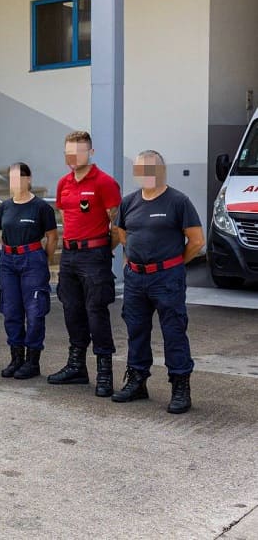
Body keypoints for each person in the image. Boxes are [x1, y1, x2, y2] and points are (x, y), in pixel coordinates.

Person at [112, 150, 204, 414]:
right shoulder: (129, 202)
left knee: (174, 332)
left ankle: (180, 387)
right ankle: (138, 381)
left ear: (162, 171)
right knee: (136, 331)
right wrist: (131, 257)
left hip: (166, 279)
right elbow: (121, 231)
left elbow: (197, 241)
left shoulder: (178, 201)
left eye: (152, 168)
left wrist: (172, 264)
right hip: (136, 278)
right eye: (142, 169)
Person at [47, 131, 122, 397]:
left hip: (95, 257)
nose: (72, 157)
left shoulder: (105, 183)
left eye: (78, 151)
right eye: (68, 152)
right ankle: (77, 367)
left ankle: (105, 373)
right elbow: (66, 217)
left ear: (90, 152)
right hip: (69, 255)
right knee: (71, 309)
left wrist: (101, 250)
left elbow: (116, 225)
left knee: (96, 312)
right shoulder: (63, 183)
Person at [0, 162, 58, 379]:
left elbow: (51, 236)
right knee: (11, 310)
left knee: (34, 311)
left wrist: (44, 261)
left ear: (28, 179)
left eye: (19, 178)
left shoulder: (41, 207)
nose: (15, 183)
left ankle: (33, 361)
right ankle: (16, 357)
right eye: (11, 178)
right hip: (8, 261)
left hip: (32, 259)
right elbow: (1, 233)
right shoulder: (4, 207)